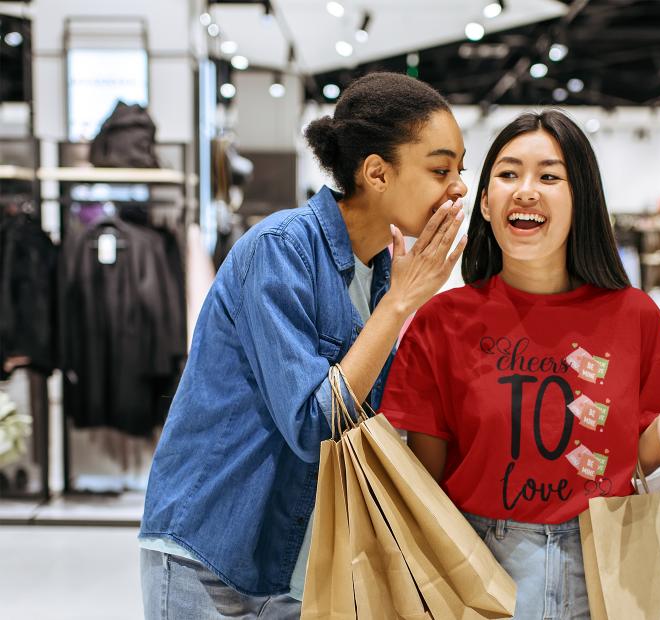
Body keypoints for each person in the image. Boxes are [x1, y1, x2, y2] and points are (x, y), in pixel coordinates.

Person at [138, 72, 468, 618]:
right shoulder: (281, 250)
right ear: (376, 172)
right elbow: (315, 424)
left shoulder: (386, 272)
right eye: (439, 169)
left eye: (459, 169)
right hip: (211, 553)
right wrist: (400, 306)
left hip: (296, 560)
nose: (456, 187)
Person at [379, 110, 660, 619]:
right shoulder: (443, 321)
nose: (526, 190)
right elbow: (425, 487)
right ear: (485, 201)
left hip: (608, 566)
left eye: (549, 176)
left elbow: (636, 457)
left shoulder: (636, 317)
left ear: (580, 196)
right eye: (508, 173)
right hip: (478, 570)